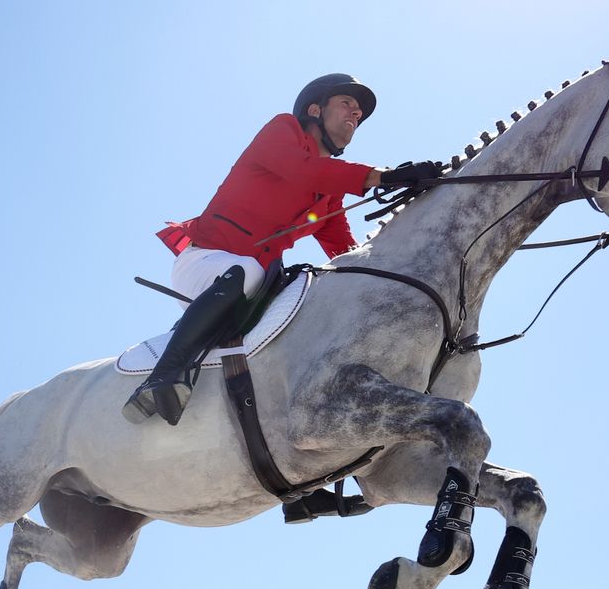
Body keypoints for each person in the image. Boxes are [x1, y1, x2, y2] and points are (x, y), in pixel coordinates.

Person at [125, 74, 443, 426]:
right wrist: (382, 177)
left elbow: (348, 252)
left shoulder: (331, 197)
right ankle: (164, 376)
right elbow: (304, 171)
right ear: (314, 109)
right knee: (250, 270)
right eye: (347, 103)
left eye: (360, 113)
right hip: (206, 262)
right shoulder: (284, 129)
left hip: (256, 283)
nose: (356, 113)